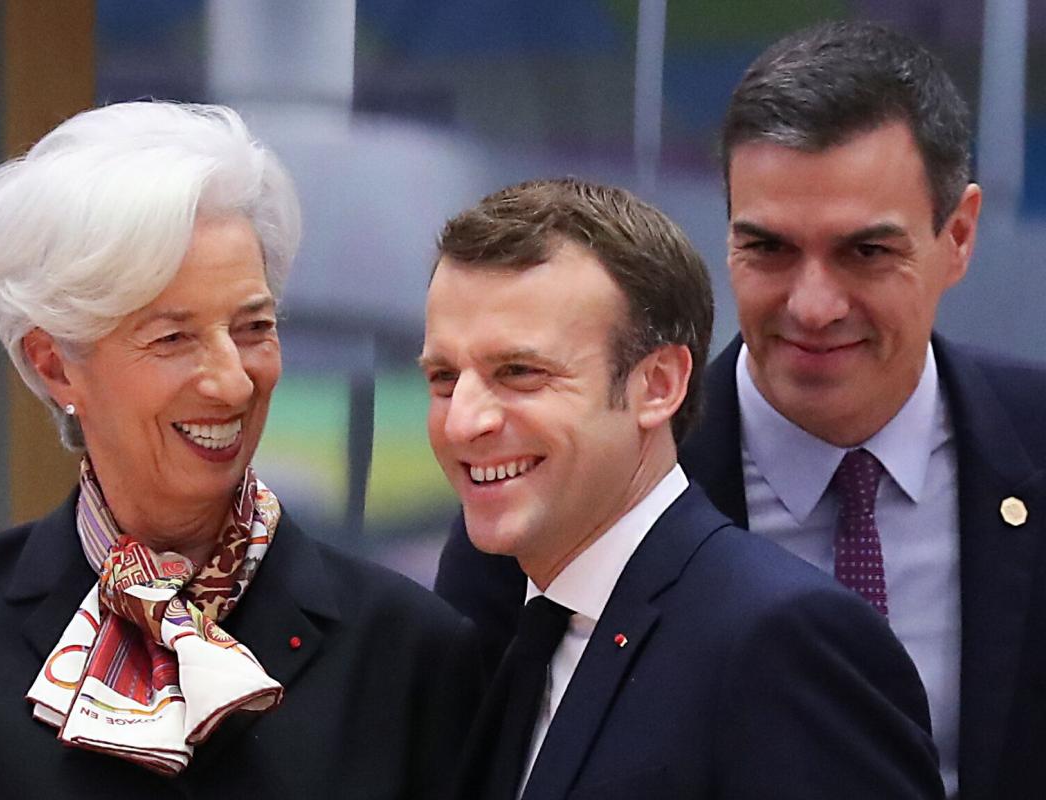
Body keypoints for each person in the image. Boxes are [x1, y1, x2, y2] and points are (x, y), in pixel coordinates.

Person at [434, 21, 1046, 800]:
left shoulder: (1032, 441)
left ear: (957, 235)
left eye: (865, 252)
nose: (814, 305)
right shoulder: (575, 496)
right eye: (770, 249)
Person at [0, 101, 481, 799]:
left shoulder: (407, 647)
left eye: (253, 328)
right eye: (173, 338)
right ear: (55, 366)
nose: (232, 382)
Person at [421, 177, 943, 799]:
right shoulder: (502, 624)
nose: (462, 422)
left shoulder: (782, 642)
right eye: (444, 378)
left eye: (519, 372)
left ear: (659, 385)